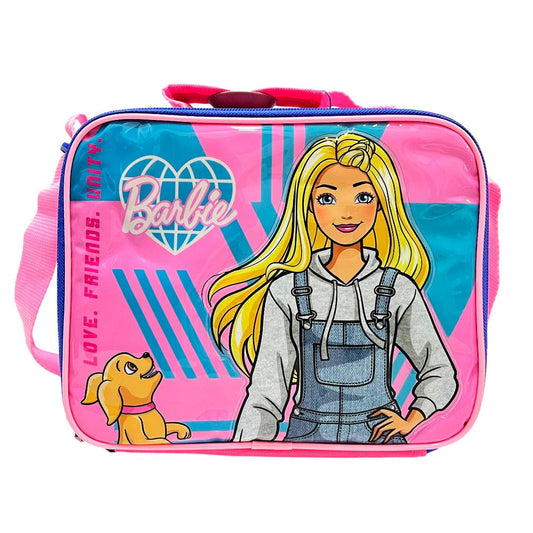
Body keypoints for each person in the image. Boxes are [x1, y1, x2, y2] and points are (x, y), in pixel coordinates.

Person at [209, 131, 458, 444]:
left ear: (382, 204)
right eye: (327, 198)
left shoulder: (398, 290)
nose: (346, 212)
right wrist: (246, 453)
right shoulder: (286, 291)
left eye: (363, 197)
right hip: (306, 435)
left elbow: (440, 370)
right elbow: (267, 391)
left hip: (380, 439)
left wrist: (414, 418)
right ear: (308, 207)